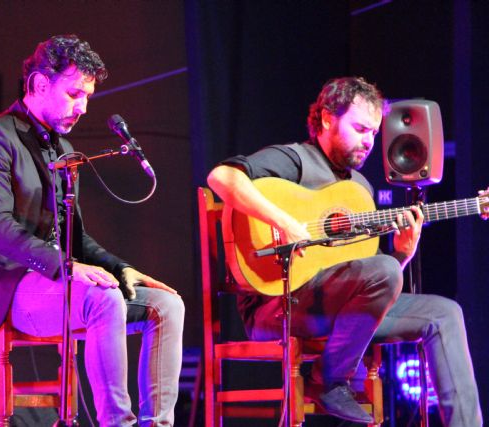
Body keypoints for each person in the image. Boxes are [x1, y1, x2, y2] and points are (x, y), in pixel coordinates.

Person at [0, 34, 185, 427]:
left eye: (87, 96)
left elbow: (75, 237)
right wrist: (65, 267)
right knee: (103, 300)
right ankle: (116, 423)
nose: (82, 107)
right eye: (73, 94)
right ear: (38, 84)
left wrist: (121, 268)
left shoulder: (64, 150)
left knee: (167, 307)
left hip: (43, 281)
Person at [207, 77, 484, 426]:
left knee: (444, 313)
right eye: (359, 128)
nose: (368, 141)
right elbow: (222, 177)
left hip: (336, 309)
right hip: (279, 306)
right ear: (326, 119)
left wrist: (402, 253)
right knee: (383, 269)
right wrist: (283, 220)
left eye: (373, 132)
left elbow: (369, 280)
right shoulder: (296, 159)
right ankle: (328, 380)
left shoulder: (360, 189)